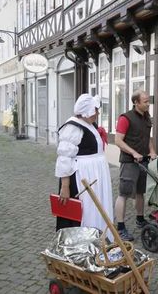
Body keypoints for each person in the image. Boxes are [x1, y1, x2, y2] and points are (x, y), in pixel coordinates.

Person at [55, 93, 114, 240]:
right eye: (95, 110)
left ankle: (99, 239)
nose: (98, 113)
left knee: (96, 208)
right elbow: (64, 158)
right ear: (86, 110)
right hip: (83, 176)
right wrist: (65, 186)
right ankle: (84, 241)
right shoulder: (73, 127)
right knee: (86, 210)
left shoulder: (89, 124)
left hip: (94, 175)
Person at [114, 90, 157, 241]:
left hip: (144, 161)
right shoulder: (125, 118)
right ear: (136, 103)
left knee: (140, 192)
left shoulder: (147, 118)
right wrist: (133, 153)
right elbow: (118, 140)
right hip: (129, 162)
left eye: (148, 101)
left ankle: (140, 219)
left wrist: (152, 151)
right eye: (145, 101)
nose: (148, 104)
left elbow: (148, 138)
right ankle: (120, 227)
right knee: (124, 194)